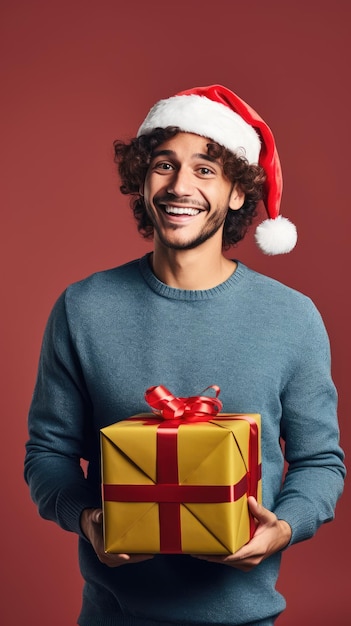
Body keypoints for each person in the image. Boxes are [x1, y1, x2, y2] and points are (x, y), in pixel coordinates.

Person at [24, 84, 345, 626]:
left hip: (245, 618)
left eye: (205, 170)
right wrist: (87, 519)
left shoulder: (292, 317)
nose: (179, 187)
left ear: (238, 193)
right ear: (142, 180)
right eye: (164, 165)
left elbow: (320, 462)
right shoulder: (84, 308)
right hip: (112, 617)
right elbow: (48, 455)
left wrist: (285, 526)